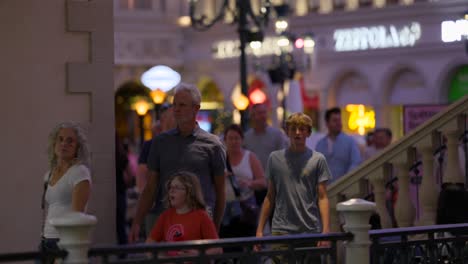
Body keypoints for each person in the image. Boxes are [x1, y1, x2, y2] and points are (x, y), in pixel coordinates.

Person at [129, 83, 226, 243]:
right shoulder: (160, 142)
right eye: (175, 105)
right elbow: (150, 187)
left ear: (196, 108)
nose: (176, 109)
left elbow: (220, 192)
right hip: (167, 221)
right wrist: (137, 222)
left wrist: (214, 229)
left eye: (182, 105)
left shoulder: (213, 145)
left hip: (200, 222)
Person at [255, 113, 331, 263]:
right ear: (287, 131)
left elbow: (323, 197)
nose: (297, 133)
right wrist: (260, 230)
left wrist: (326, 230)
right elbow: (270, 196)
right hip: (281, 230)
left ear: (308, 133)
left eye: (302, 129)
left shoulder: (318, 160)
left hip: (309, 229)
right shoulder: (275, 158)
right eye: (294, 129)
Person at [41, 122, 91, 263]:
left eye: (70, 141)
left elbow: (77, 217)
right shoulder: (49, 174)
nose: (64, 144)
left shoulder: (79, 172)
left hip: (65, 241)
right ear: (54, 143)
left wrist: (62, 254)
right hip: (47, 240)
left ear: (77, 148)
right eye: (60, 139)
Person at [146, 171, 221, 257]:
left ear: (189, 191)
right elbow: (149, 245)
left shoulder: (202, 216)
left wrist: (198, 254)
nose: (171, 191)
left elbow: (217, 249)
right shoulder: (165, 216)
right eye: (170, 187)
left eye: (177, 187)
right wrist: (165, 259)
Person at [136, 104, 176, 237]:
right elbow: (141, 176)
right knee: (155, 247)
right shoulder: (150, 145)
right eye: (169, 117)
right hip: (156, 207)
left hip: (179, 207)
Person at [221, 124, 266, 239]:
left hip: (245, 208)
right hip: (224, 209)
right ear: (225, 140)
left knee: (246, 241)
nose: (234, 142)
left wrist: (249, 183)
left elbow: (263, 182)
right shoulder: (220, 159)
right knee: (226, 243)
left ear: (242, 140)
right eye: (230, 138)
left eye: (237, 138)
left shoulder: (250, 157)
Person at [243, 103, 288, 206]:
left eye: (264, 113)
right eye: (259, 113)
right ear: (252, 116)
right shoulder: (246, 138)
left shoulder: (277, 135)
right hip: (253, 187)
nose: (262, 116)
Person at [315, 107, 361, 183]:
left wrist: (346, 180)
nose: (338, 123)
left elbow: (356, 162)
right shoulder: (320, 144)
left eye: (339, 120)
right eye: (334, 121)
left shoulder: (350, 142)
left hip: (344, 187)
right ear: (327, 123)